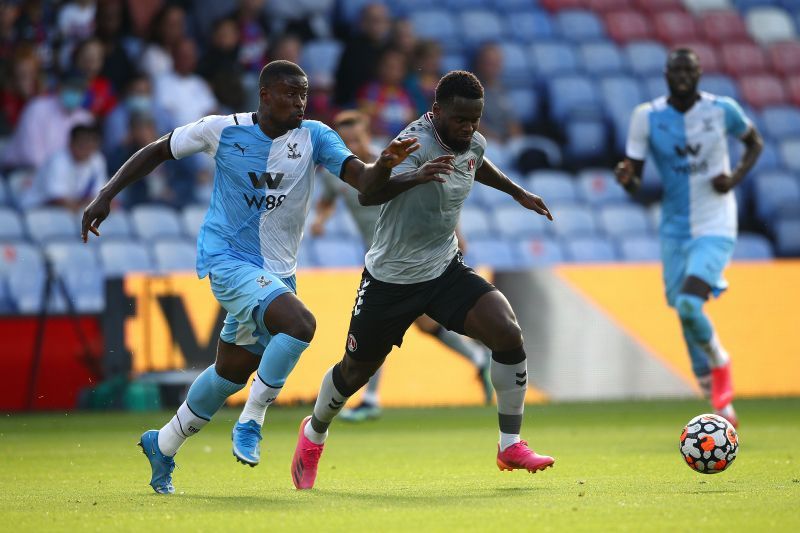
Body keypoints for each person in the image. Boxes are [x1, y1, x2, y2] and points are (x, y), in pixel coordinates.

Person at [80, 60, 426, 494]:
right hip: (226, 259)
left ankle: (163, 444)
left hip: (278, 271)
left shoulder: (316, 136)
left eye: (303, 94)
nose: (299, 102)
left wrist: (390, 166)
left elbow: (365, 185)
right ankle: (252, 420)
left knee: (229, 372)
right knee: (301, 325)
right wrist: (105, 194)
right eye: (289, 94)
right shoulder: (220, 129)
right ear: (264, 95)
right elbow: (157, 150)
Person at [289, 71, 556, 490]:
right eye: (460, 119)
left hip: (443, 268)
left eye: (475, 119)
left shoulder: (473, 141)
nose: (469, 127)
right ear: (436, 112)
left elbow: (477, 162)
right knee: (354, 371)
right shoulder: (412, 144)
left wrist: (517, 192)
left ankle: (510, 444)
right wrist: (413, 174)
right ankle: (314, 433)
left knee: (506, 331)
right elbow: (368, 194)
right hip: (390, 278)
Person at [305, 110, 493, 422]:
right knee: (420, 324)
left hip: (414, 250)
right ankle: (477, 358)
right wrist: (321, 220)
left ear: (368, 135)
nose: (351, 144)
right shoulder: (337, 172)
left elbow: (435, 192)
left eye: (357, 137)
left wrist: (457, 232)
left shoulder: (395, 158)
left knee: (381, 326)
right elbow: (329, 197)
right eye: (345, 140)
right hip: (382, 258)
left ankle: (371, 398)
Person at [614, 48, 763, 428]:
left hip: (716, 223)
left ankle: (720, 364)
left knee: (690, 305)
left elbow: (754, 143)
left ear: (699, 74)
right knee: (682, 309)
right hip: (675, 228)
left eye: (689, 70)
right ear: (666, 75)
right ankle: (710, 391)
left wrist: (734, 180)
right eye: (676, 70)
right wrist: (627, 180)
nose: (682, 76)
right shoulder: (646, 118)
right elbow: (635, 179)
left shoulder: (722, 110)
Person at [24, 123, 106, 210]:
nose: (86, 149)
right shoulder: (58, 160)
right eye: (82, 144)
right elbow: (56, 199)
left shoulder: (97, 159)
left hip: (69, 210)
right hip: (37, 207)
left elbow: (99, 195)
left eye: (90, 145)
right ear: (71, 143)